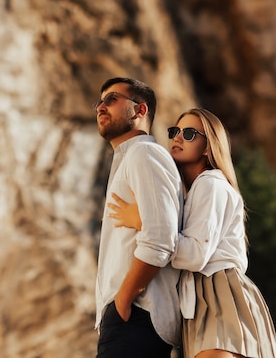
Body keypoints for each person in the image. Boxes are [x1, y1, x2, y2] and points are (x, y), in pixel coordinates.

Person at [107, 108, 276, 358]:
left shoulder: (210, 183)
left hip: (219, 293)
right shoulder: (196, 191)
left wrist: (145, 222)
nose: (177, 137)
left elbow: (196, 255)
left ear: (208, 147)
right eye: (174, 131)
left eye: (189, 134)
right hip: (203, 299)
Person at [94, 77, 184, 358]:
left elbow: (159, 238)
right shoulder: (131, 157)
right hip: (129, 319)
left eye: (111, 99)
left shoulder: (144, 154)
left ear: (140, 111)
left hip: (137, 316)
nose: (100, 107)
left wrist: (123, 300)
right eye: (99, 101)